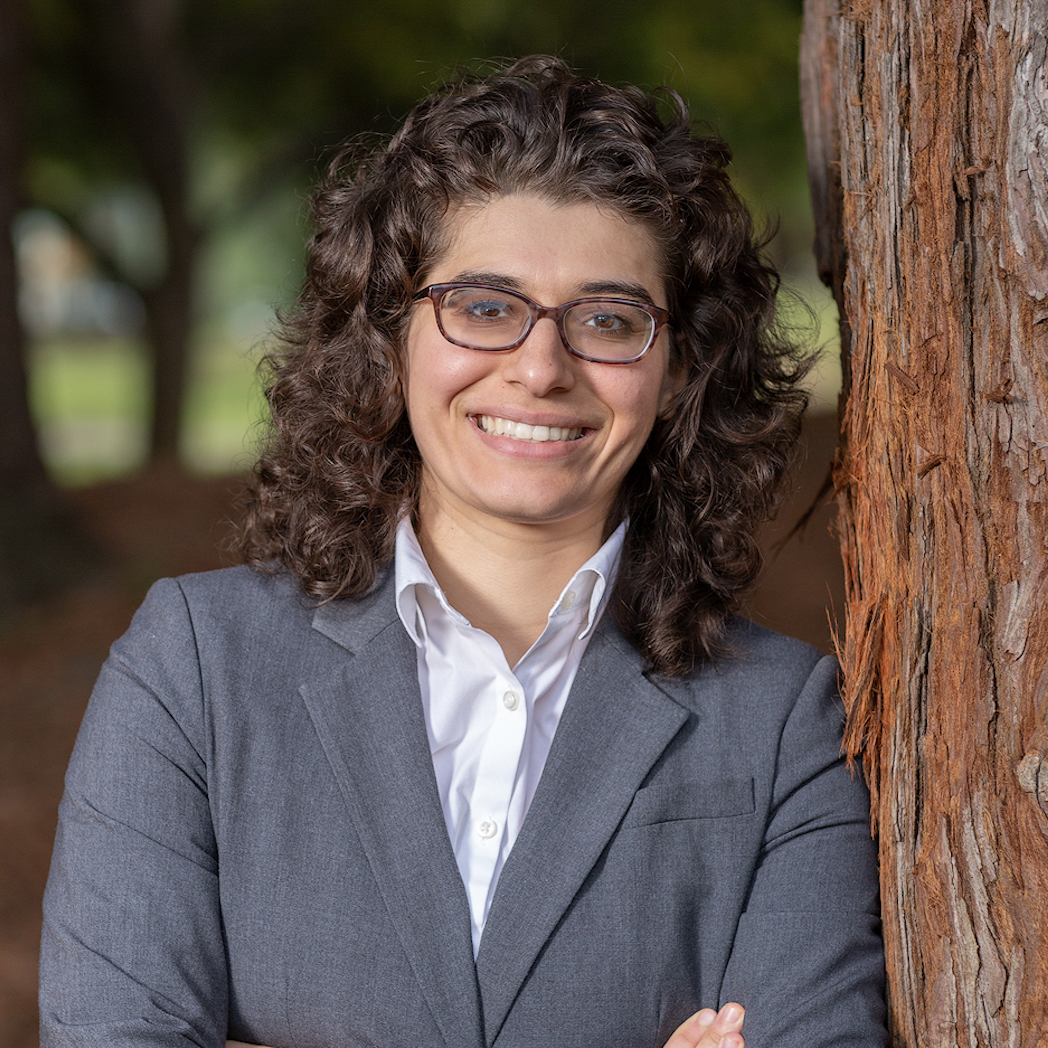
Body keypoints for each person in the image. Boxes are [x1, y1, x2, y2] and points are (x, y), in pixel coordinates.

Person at [40, 56, 886, 1048]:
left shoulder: (784, 721)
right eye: (485, 308)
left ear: (677, 367)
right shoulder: (194, 667)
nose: (540, 368)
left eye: (608, 320)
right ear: (392, 333)